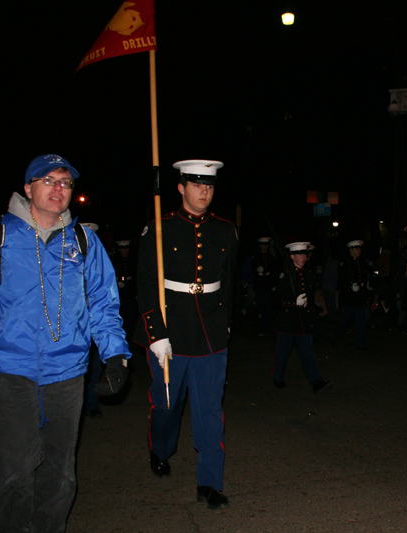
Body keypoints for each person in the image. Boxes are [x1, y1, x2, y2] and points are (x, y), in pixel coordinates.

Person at [0, 154, 130, 533]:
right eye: (48, 180)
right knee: (14, 470)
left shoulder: (84, 241)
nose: (58, 189)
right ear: (29, 186)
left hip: (66, 372)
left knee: (61, 473)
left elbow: (103, 302)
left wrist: (116, 355)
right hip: (8, 370)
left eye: (65, 183)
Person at [135, 159, 238, 509]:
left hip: (210, 332)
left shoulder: (226, 230)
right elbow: (147, 284)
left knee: (210, 410)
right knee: (166, 404)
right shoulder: (159, 229)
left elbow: (228, 282)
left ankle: (209, 483)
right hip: (171, 329)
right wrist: (155, 332)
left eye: (209, 185)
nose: (204, 191)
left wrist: (225, 322)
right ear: (180, 187)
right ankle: (160, 448)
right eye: (196, 184)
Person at [271, 242, 332, 393]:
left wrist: (313, 315)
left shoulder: (309, 276)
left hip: (303, 322)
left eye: (305, 254)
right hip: (287, 321)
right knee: (283, 353)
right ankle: (277, 378)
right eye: (299, 254)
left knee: (308, 354)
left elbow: (310, 301)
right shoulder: (284, 276)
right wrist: (293, 303)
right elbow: (277, 299)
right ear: (292, 256)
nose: (303, 257)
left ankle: (316, 382)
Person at [331, 240, 372, 349]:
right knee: (345, 320)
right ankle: (335, 337)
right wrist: (349, 286)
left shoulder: (361, 262)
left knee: (361, 322)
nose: (359, 251)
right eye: (356, 249)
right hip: (349, 298)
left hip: (359, 298)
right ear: (351, 250)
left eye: (359, 248)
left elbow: (364, 276)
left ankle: (361, 344)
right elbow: (340, 281)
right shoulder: (345, 263)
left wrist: (364, 286)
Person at [251, 236, 277, 335]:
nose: (265, 247)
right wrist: (258, 272)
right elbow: (252, 270)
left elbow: (274, 270)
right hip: (260, 284)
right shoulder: (256, 257)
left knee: (266, 304)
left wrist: (273, 282)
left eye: (266, 245)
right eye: (263, 245)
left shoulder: (270, 257)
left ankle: (264, 325)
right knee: (261, 304)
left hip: (268, 284)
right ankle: (256, 317)